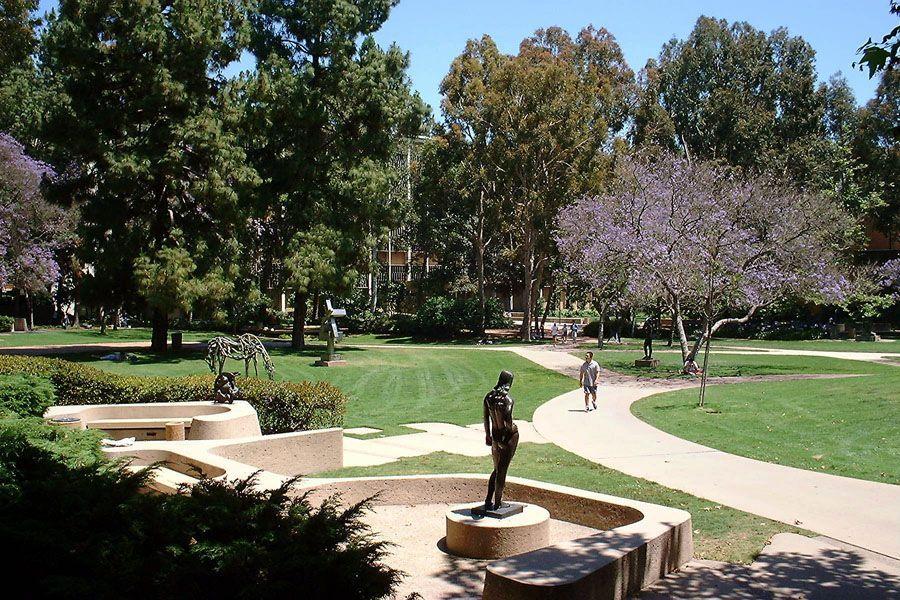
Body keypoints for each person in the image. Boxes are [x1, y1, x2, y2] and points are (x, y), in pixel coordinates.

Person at [483, 370, 519, 510]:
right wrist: (508, 433)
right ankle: (498, 502)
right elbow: (508, 421)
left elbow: (486, 418)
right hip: (508, 437)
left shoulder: (488, 397)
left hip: (495, 436)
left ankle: (488, 500)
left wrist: (488, 435)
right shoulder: (507, 400)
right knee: (502, 470)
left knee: (497, 469)